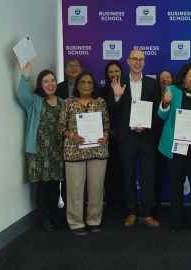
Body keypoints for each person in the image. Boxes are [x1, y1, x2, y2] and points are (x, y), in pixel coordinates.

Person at [106, 49, 161, 228]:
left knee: (148, 176)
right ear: (128, 62)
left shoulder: (153, 84)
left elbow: (157, 113)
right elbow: (112, 112)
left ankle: (146, 213)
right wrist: (117, 96)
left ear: (144, 62)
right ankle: (131, 212)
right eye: (134, 59)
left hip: (146, 137)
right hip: (127, 138)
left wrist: (148, 125)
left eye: (141, 59)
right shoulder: (119, 83)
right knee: (127, 176)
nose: (137, 62)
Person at [157, 63, 191, 232]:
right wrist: (164, 104)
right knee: (175, 184)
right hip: (175, 146)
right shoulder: (172, 90)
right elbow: (161, 116)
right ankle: (176, 220)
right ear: (184, 77)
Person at [58, 72, 110, 236]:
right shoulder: (67, 103)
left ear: (93, 85)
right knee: (75, 188)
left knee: (96, 188)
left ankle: (94, 220)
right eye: (83, 82)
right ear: (77, 85)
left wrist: (105, 136)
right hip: (74, 151)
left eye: (89, 82)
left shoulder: (100, 102)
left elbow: (107, 125)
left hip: (98, 150)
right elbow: (60, 127)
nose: (86, 85)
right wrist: (72, 135)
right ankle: (75, 222)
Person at [16, 62, 64, 232]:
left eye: (53, 80)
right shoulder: (35, 102)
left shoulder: (62, 102)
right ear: (40, 85)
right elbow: (21, 95)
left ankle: (53, 215)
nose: (50, 84)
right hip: (38, 151)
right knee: (42, 188)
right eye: (46, 81)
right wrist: (25, 75)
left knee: (54, 186)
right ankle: (44, 219)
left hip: (56, 151)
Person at [99, 61, 126, 208]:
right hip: (107, 138)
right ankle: (110, 202)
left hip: (125, 137)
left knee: (125, 170)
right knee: (109, 171)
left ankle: (124, 203)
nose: (114, 74)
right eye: (111, 72)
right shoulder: (101, 91)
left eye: (116, 71)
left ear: (121, 72)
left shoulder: (127, 89)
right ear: (106, 74)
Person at [153, 69, 173, 217]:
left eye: (168, 79)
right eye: (162, 79)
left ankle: (174, 206)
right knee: (157, 176)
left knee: (174, 176)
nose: (165, 81)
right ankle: (156, 207)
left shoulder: (177, 94)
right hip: (155, 142)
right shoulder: (153, 95)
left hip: (173, 141)